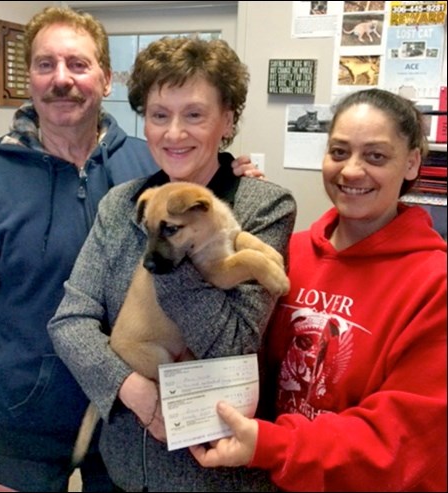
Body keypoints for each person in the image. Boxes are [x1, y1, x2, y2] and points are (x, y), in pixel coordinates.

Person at [0, 7, 260, 493]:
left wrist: (229, 181)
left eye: (77, 64)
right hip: (21, 431)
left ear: (106, 78)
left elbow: (199, 210)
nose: (61, 80)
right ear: (28, 77)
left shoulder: (150, 168)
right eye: (45, 64)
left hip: (127, 425)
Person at [47, 36, 296, 492]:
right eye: (159, 115)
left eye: (195, 114)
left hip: (212, 476)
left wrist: (174, 255)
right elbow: (70, 321)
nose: (174, 133)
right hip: (121, 469)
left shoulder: (265, 206)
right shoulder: (125, 203)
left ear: (228, 119)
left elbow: (231, 346)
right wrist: (135, 390)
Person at [190, 88, 447, 492]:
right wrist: (231, 198)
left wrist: (274, 445)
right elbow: (233, 345)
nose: (351, 171)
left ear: (412, 162)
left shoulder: (435, 283)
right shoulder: (289, 253)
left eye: (376, 156)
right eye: (339, 152)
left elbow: (403, 440)